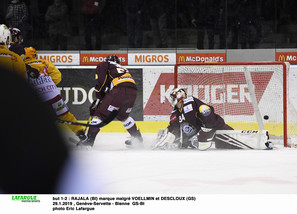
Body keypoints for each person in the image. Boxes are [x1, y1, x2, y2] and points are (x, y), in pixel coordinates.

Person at [23, 46, 87, 142]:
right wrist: (47, 85)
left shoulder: (22, 65)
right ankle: (81, 134)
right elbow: (57, 76)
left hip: (37, 97)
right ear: (35, 55)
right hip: (53, 94)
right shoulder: (44, 62)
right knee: (66, 115)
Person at [78, 55, 142, 148]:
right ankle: (137, 138)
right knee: (123, 116)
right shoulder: (123, 69)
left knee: (99, 114)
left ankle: (89, 141)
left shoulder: (105, 64)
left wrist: (99, 98)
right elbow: (111, 90)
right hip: (133, 91)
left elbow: (102, 82)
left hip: (119, 89)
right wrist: (103, 99)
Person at [154, 88, 233, 150]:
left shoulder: (191, 103)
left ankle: (234, 137)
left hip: (216, 130)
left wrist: (204, 133)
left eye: (173, 97)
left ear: (179, 97)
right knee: (219, 145)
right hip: (196, 138)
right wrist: (166, 134)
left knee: (229, 143)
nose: (171, 100)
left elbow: (209, 117)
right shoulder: (175, 113)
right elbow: (173, 127)